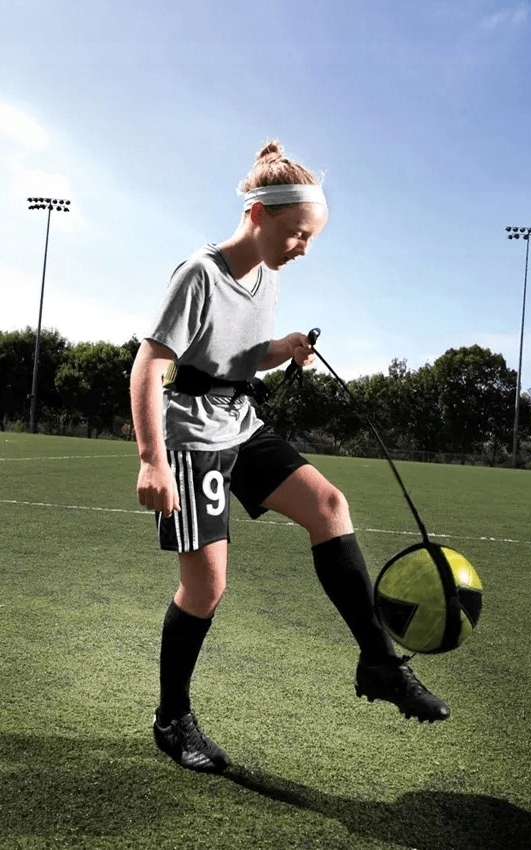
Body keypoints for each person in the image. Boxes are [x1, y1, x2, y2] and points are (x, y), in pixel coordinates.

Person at [130, 141, 450, 774]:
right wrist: (151, 460)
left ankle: (379, 663)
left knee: (329, 505)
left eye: (311, 237)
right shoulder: (200, 274)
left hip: (242, 425)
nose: (304, 247)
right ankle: (172, 720)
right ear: (259, 214)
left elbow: (241, 357)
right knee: (207, 587)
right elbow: (150, 365)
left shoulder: (268, 274)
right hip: (192, 440)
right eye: (298, 233)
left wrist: (285, 346)